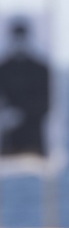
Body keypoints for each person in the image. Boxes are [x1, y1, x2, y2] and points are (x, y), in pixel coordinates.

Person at [0, 19, 50, 156]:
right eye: (16, 39)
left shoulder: (40, 69)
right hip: (8, 138)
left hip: (33, 135)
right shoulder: (3, 69)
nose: (19, 44)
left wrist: (20, 114)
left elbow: (47, 101)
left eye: (21, 39)